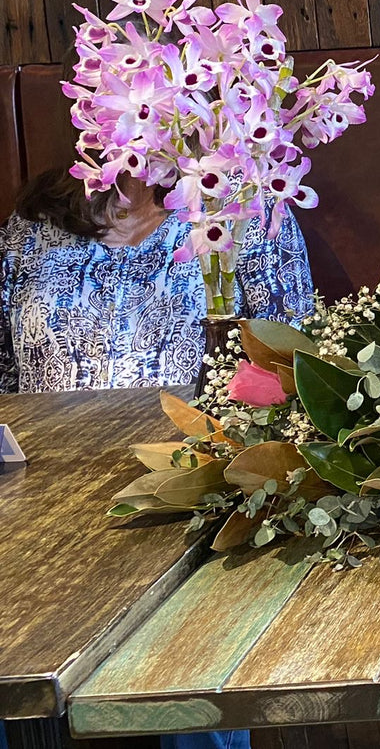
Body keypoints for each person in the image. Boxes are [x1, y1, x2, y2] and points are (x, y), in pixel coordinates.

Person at [0, 167, 313, 749]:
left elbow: (291, 370)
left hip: (180, 500)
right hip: (38, 506)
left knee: (190, 663)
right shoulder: (35, 221)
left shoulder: (245, 207)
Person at [0, 168, 314, 393]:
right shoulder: (31, 226)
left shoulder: (242, 205)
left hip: (189, 469)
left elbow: (291, 365)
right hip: (49, 471)